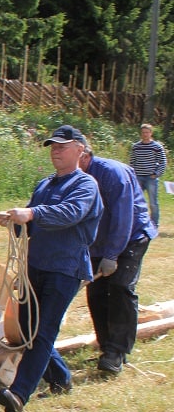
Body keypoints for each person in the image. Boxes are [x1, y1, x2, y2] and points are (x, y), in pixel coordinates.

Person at [0, 124, 102, 412]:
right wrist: (16, 223)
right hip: (36, 266)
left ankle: (18, 394)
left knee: (43, 333)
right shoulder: (44, 185)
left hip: (65, 269)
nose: (55, 150)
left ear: (80, 149)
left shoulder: (85, 185)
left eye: (62, 146)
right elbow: (30, 225)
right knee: (28, 332)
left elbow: (70, 213)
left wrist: (31, 213)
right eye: (53, 146)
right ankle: (61, 379)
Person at [79, 141, 157, 373]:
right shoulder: (74, 176)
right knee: (97, 292)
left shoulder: (113, 173)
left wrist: (112, 255)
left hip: (132, 236)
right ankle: (106, 347)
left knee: (121, 287)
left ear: (83, 154)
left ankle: (117, 351)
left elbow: (124, 217)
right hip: (99, 242)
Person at [129, 123, 167, 227]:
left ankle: (154, 223)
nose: (145, 134)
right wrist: (132, 175)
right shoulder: (136, 146)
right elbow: (132, 162)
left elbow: (163, 162)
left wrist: (157, 174)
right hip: (138, 177)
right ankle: (136, 221)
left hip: (151, 178)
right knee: (135, 200)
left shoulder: (157, 147)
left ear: (151, 133)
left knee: (153, 203)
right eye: (143, 132)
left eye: (147, 132)